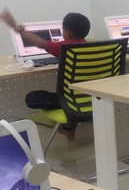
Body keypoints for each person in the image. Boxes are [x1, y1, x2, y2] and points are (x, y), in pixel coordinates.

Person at [1, 8, 91, 140]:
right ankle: (69, 129)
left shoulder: (65, 47)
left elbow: (40, 43)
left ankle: (69, 126)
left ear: (68, 33)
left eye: (63, 29)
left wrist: (16, 28)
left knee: (32, 98)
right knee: (67, 94)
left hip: (72, 101)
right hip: (93, 98)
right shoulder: (93, 47)